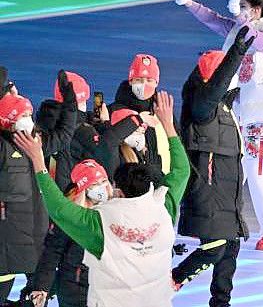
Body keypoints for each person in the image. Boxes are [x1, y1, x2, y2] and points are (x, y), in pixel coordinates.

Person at [13, 91, 189, 307]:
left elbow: (58, 209)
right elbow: (182, 171)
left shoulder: (99, 224)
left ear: (117, 189)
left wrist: (38, 161)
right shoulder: (164, 207)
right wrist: (168, 125)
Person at [176, 0, 263, 251]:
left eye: (244, 7)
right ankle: (219, 224)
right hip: (240, 111)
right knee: (229, 170)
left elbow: (255, 41)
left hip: (262, 115)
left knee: (259, 172)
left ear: (256, 10)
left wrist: (242, 21)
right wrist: (187, 3)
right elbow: (216, 22)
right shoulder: (245, 27)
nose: (239, 14)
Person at [172, 27, 254, 307]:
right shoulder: (202, 107)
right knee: (215, 247)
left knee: (230, 248)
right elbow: (216, 85)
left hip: (227, 198)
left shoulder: (223, 108)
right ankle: (173, 280)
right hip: (208, 196)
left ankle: (221, 303)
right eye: (227, 76)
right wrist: (236, 54)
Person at [0, 70, 77, 305]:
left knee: (39, 296)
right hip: (8, 244)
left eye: (29, 114)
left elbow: (64, 134)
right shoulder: (2, 148)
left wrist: (70, 102)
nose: (28, 119)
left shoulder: (37, 143)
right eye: (22, 115)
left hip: (37, 238)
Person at [27, 160, 112, 307]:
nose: (102, 188)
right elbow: (52, 252)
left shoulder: (118, 209)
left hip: (109, 287)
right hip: (75, 288)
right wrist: (41, 287)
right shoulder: (69, 215)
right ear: (84, 188)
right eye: (94, 184)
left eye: (104, 181)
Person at [108, 54, 171, 176]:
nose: (144, 84)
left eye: (149, 80)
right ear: (131, 81)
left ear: (157, 82)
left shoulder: (163, 111)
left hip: (163, 182)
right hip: (128, 184)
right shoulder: (114, 111)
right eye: (139, 80)